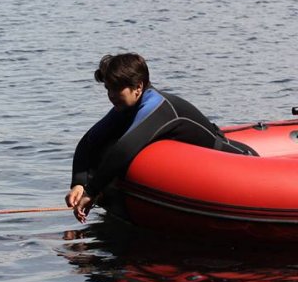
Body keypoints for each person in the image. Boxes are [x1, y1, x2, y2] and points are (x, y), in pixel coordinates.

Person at [65, 53, 255, 223]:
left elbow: (125, 149)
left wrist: (92, 191)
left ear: (138, 87)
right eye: (108, 89)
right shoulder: (124, 107)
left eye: (116, 89)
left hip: (241, 161)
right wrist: (79, 183)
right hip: (205, 167)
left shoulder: (157, 108)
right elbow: (88, 141)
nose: (111, 96)